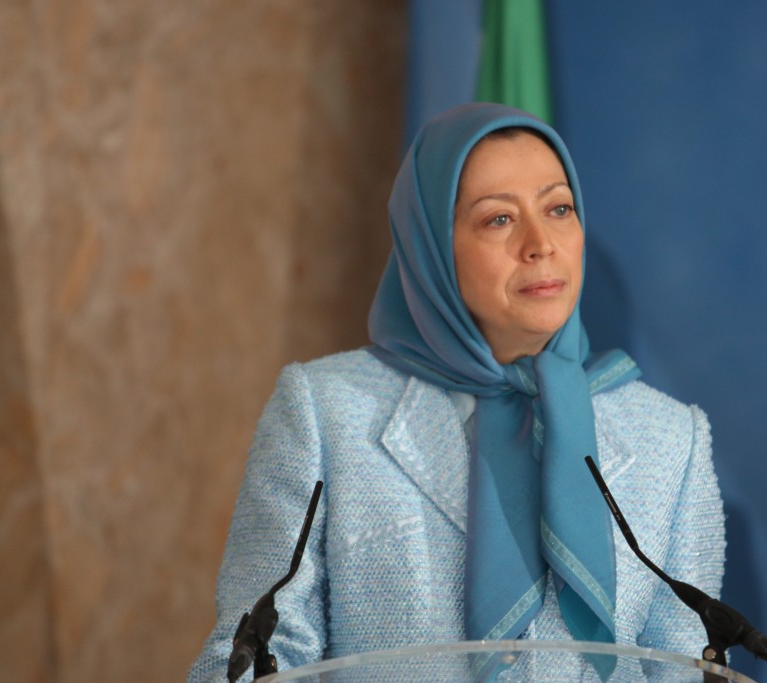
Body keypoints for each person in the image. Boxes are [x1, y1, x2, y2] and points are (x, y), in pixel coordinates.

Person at [187, 103, 725, 682]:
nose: (540, 243)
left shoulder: (671, 438)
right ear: (431, 246)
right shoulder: (325, 413)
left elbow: (686, 666)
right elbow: (257, 653)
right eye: (499, 220)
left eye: (559, 209)